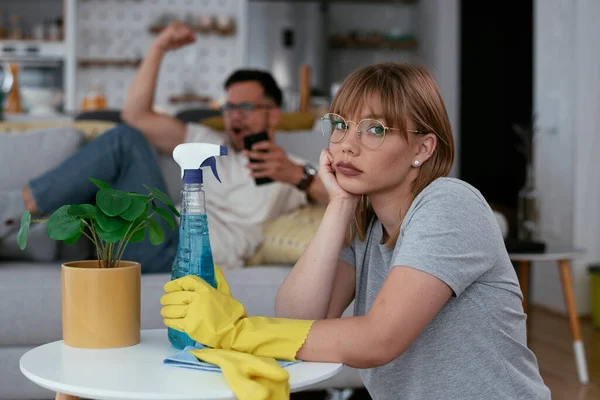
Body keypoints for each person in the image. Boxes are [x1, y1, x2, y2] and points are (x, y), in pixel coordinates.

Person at [160, 62, 552, 399]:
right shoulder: (367, 226)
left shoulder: (450, 204)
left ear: (423, 149)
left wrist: (238, 331)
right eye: (341, 125)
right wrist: (340, 204)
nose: (347, 144)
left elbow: (378, 339)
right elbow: (298, 317)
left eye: (375, 130)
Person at [0, 21, 328, 271]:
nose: (234, 117)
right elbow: (135, 115)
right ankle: (20, 225)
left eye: (245, 108)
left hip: (177, 253)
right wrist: (158, 49)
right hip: (150, 233)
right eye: (228, 108)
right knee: (122, 144)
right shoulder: (207, 141)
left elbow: (347, 200)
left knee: (123, 144)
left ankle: (12, 209)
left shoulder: (293, 168)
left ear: (273, 113)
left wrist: (299, 176)